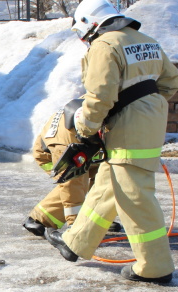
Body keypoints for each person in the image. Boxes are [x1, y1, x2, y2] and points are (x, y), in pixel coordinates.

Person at [44, 0, 178, 285]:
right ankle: (75, 242)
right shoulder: (146, 40)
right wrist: (146, 109)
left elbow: (100, 96)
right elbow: (171, 82)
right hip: (147, 125)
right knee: (107, 185)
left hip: (128, 132)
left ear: (89, 24)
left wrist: (86, 128)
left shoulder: (104, 45)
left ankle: (155, 267)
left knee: (135, 200)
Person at [24, 99, 121, 237]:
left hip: (86, 147)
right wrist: (76, 228)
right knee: (76, 182)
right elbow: (71, 187)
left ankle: (96, 218)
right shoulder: (66, 144)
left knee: (103, 176)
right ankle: (40, 219)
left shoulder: (94, 110)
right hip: (50, 156)